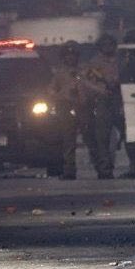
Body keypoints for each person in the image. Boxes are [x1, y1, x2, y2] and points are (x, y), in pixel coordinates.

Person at [80, 33, 121, 179]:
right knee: (102, 139)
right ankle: (105, 170)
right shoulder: (94, 63)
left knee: (129, 135)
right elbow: (86, 82)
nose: (108, 47)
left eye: (110, 44)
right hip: (103, 102)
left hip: (121, 100)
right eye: (105, 45)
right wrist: (101, 90)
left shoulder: (120, 60)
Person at [49, 40, 86, 179]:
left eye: (73, 55)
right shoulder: (59, 73)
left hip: (85, 108)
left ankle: (104, 171)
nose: (70, 57)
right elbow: (51, 90)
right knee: (68, 141)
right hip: (66, 108)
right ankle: (69, 171)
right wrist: (61, 95)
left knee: (93, 140)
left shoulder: (84, 71)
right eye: (67, 55)